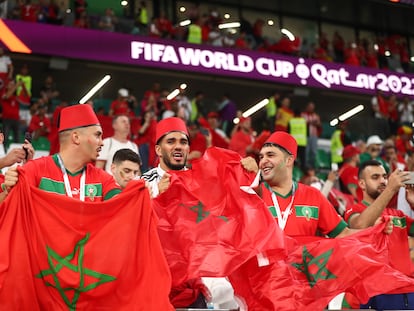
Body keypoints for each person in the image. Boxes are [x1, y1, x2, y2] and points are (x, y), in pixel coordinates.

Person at [140, 117, 208, 308]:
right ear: (158, 150)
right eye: (171, 141)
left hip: (195, 285)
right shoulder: (141, 184)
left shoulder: (202, 183)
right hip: (156, 282)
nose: (178, 147)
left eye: (183, 142)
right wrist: (157, 198)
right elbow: (132, 228)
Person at [3, 104, 121, 202]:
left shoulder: (103, 179)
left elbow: (123, 205)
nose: (102, 143)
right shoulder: (35, 170)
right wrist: (8, 189)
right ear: (76, 137)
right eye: (97, 135)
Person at [256, 131, 364, 238]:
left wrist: (375, 233)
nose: (263, 161)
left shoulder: (313, 196)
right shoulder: (253, 195)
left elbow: (343, 234)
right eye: (261, 157)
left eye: (270, 155)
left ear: (288, 160)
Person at [344, 160, 414, 309]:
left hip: (408, 290)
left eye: (384, 176)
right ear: (362, 184)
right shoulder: (354, 210)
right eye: (375, 177)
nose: (382, 181)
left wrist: (413, 203)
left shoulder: (398, 214)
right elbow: (360, 225)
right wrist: (390, 190)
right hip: (376, 292)